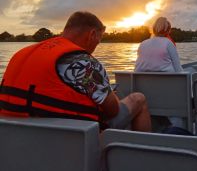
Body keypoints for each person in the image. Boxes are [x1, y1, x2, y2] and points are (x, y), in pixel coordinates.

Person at [0, 11, 151, 132]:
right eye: (99, 39)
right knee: (138, 98)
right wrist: (112, 98)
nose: (97, 44)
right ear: (92, 34)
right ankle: (144, 157)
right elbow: (113, 111)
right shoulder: (83, 62)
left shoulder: (22, 53)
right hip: (69, 139)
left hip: (16, 134)